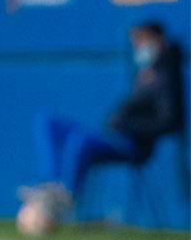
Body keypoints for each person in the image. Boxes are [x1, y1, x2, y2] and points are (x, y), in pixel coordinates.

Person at [22, 21, 185, 213]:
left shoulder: (167, 76)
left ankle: (67, 195)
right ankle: (51, 184)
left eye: (142, 40)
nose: (138, 46)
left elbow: (170, 121)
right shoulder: (145, 71)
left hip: (134, 144)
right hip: (116, 135)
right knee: (47, 122)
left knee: (81, 141)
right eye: (136, 41)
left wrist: (129, 125)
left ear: (158, 41)